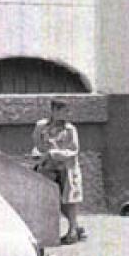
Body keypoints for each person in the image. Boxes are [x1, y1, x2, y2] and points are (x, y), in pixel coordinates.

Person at [32, 99, 87, 244]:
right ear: (53, 110)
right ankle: (49, 232)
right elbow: (37, 145)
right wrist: (39, 155)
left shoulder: (70, 129)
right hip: (48, 169)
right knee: (48, 200)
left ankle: (73, 231)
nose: (65, 114)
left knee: (69, 200)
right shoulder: (41, 126)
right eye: (61, 110)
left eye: (66, 111)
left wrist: (54, 153)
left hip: (66, 169)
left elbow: (73, 150)